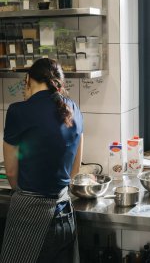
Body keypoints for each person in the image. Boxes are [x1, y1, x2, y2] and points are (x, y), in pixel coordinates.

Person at [0, 58, 83, 263]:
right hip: (64, 215)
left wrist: (26, 194)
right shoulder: (73, 109)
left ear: (27, 79)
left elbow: (10, 172)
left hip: (29, 218)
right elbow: (75, 168)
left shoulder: (18, 111)